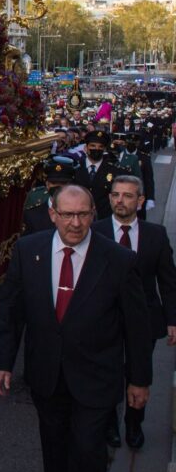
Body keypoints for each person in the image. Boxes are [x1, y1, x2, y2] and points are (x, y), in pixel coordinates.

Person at [0, 185, 152, 472]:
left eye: (82, 215)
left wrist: (139, 380)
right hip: (47, 377)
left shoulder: (119, 259)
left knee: (88, 453)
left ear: (94, 215)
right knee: (55, 451)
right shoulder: (27, 250)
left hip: (97, 380)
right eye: (67, 215)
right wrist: (3, 363)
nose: (75, 223)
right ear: (53, 215)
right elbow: (10, 310)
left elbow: (136, 327)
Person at [92, 175, 176, 450]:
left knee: (138, 371)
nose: (120, 201)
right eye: (116, 195)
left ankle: (133, 423)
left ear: (140, 201)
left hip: (144, 320)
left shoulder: (156, 235)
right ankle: (109, 425)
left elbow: (167, 280)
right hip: (106, 319)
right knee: (107, 372)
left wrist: (172, 318)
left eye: (128, 195)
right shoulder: (97, 232)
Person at [72, 130, 123, 220]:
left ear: (104, 149)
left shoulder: (115, 170)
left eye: (100, 147)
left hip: (104, 219)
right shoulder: (75, 168)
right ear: (86, 148)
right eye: (93, 146)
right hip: (79, 218)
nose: (96, 149)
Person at [23, 156, 78, 234]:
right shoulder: (32, 214)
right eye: (54, 183)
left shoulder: (81, 210)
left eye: (63, 183)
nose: (58, 187)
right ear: (47, 184)